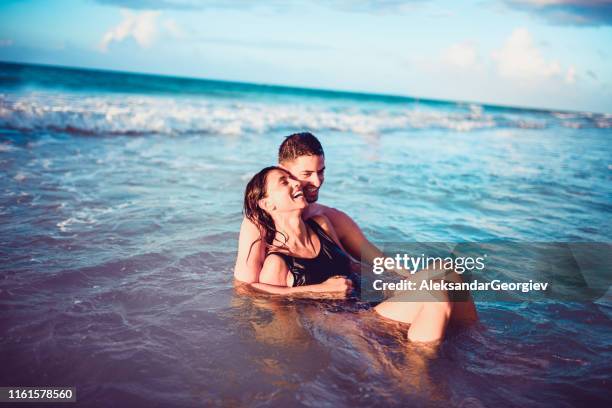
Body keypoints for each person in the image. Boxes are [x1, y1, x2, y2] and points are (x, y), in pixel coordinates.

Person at [241, 166, 477, 343]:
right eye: (285, 181)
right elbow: (269, 305)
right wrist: (319, 290)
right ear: (267, 204)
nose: (296, 183)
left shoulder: (321, 225)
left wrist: (401, 279)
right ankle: (416, 372)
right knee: (435, 293)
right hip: (354, 321)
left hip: (368, 301)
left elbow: (350, 265)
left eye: (293, 178)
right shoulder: (277, 261)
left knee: (447, 270)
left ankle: (478, 341)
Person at [234, 132, 383, 285]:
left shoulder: (324, 217)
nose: (317, 182)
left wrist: (403, 278)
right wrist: (321, 291)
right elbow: (245, 287)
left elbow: (373, 260)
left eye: (321, 171)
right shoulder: (257, 223)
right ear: (283, 170)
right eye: (307, 174)